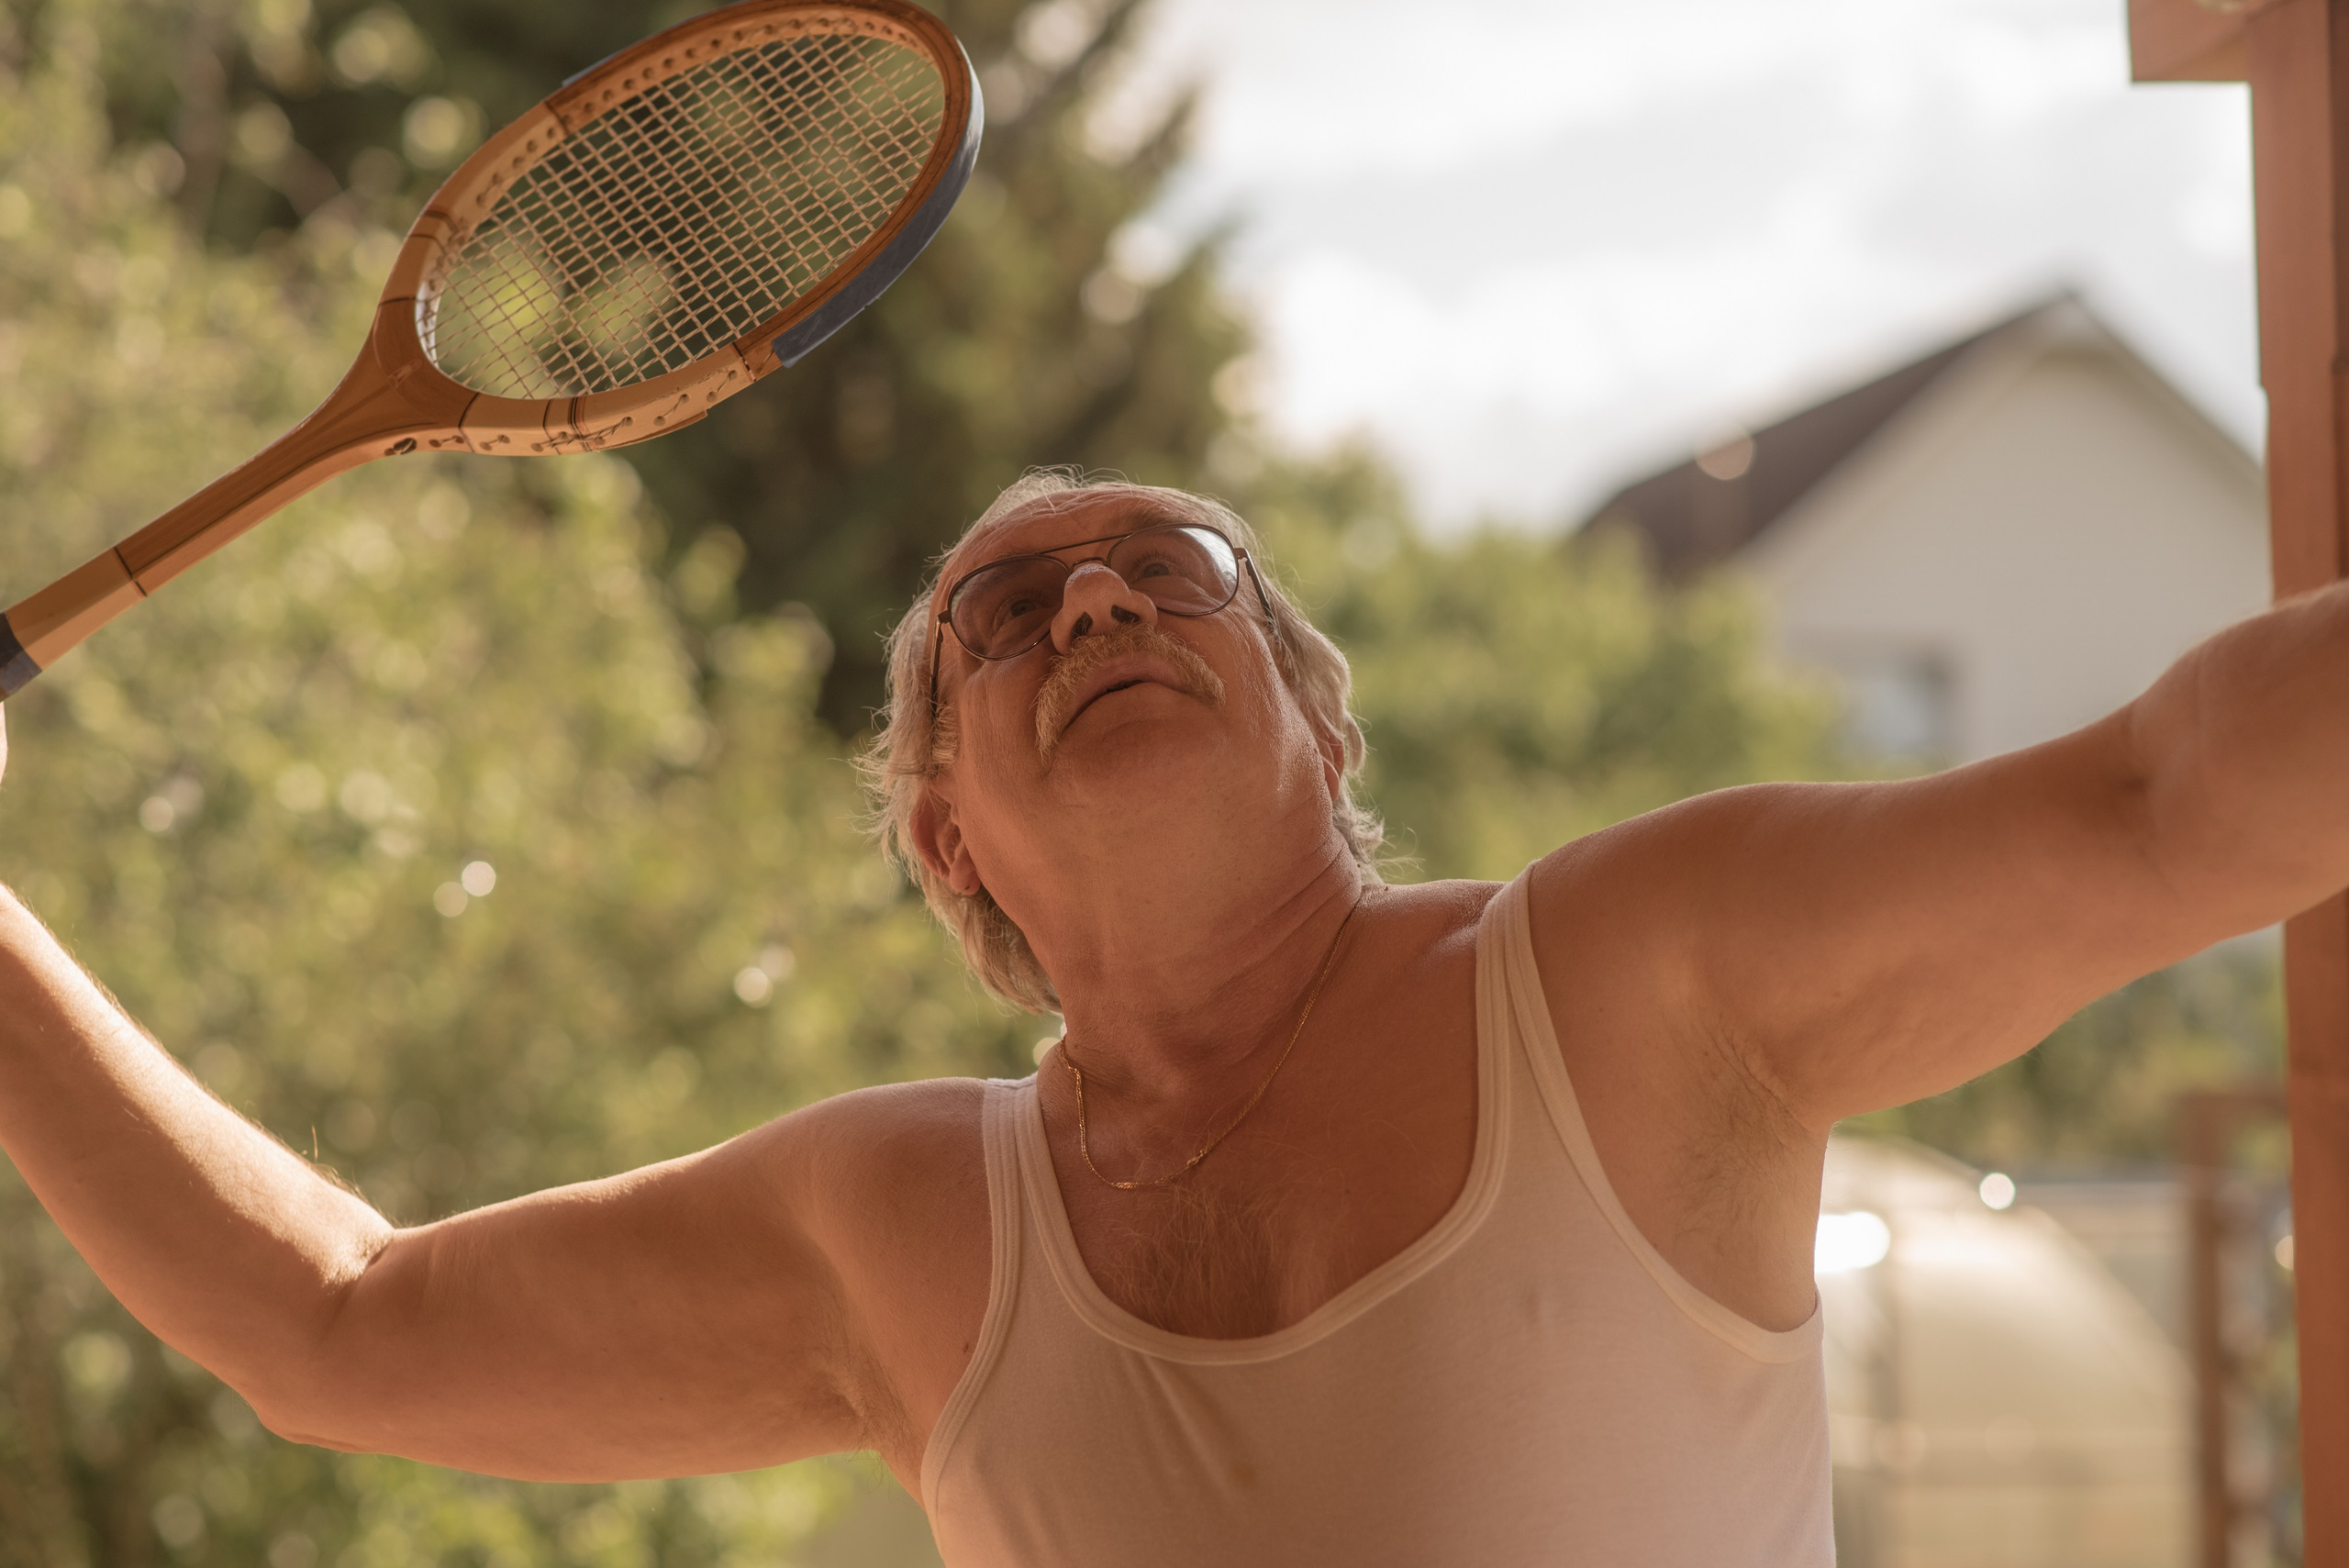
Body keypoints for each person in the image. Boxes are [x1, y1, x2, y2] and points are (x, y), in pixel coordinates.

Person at [0, 468, 2338, 1565]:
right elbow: (339, 1321)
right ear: (945, 841)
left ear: (1319, 732)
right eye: (1000, 614)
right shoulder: (899, 1229)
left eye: (1171, 573)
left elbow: (2177, 793)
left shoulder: (1637, 979)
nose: (1094, 591)